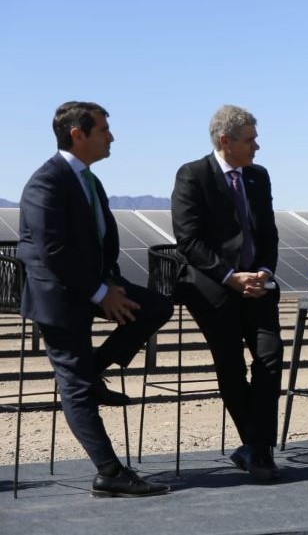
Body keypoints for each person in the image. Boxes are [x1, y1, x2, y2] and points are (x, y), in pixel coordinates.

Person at [18, 102, 172, 497]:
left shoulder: (90, 181)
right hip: (58, 297)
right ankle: (109, 472)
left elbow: (101, 243)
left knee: (156, 307)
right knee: (75, 385)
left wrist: (111, 285)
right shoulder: (46, 182)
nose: (112, 137)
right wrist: (101, 293)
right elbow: (54, 252)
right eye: (104, 130)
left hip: (90, 286)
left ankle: (94, 369)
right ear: (77, 133)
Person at [171, 104, 283, 481]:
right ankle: (260, 450)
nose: (257, 146)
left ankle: (255, 447)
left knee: (270, 356)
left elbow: (268, 233)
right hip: (213, 289)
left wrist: (264, 272)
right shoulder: (193, 176)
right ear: (225, 141)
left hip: (258, 287)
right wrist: (231, 276)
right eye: (250, 139)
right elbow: (189, 240)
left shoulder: (257, 177)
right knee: (231, 366)